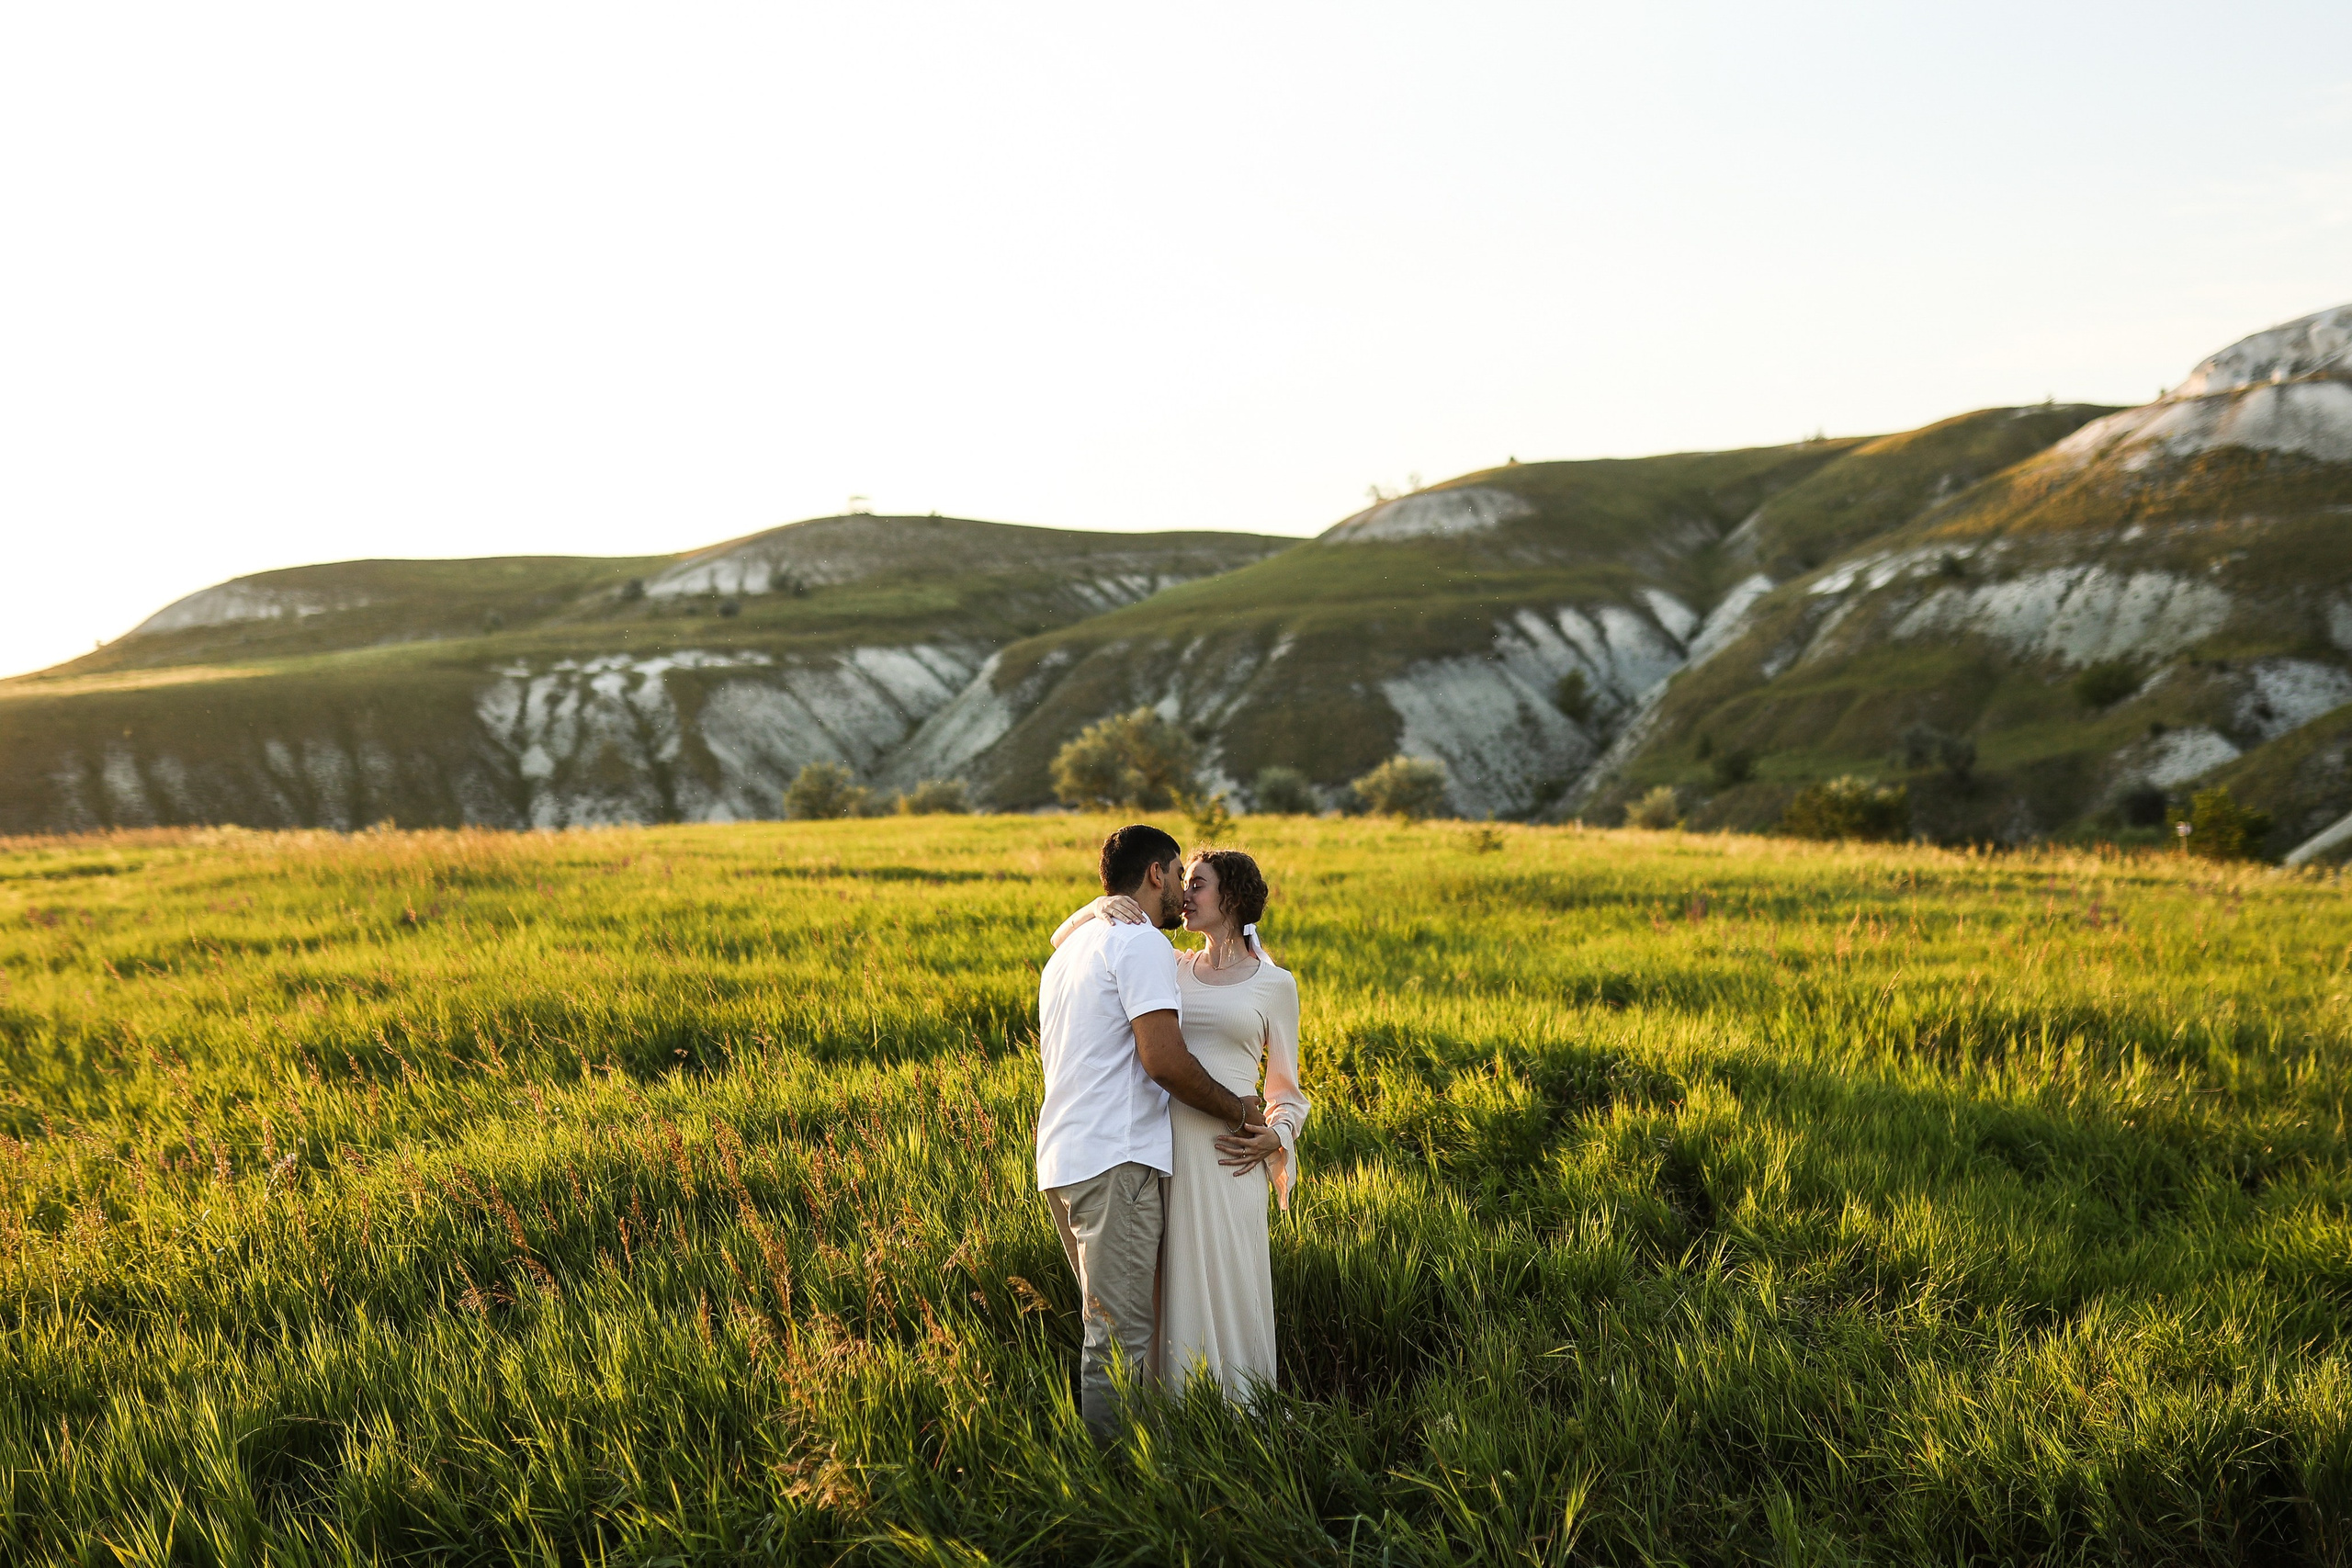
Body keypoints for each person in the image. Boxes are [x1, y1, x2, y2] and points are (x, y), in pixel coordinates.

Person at [1050, 846, 1307, 1404]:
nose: (1184, 895)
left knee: (1228, 1279)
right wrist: (1100, 907)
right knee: (1164, 1290)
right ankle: (1176, 1416)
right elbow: (1070, 944)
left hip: (1230, 1156)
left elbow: (1287, 1091)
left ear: (1233, 897)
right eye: (1183, 882)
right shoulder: (1165, 961)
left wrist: (1277, 1134)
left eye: (1198, 885)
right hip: (1163, 1151)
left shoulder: (1275, 984)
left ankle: (1240, 1408)